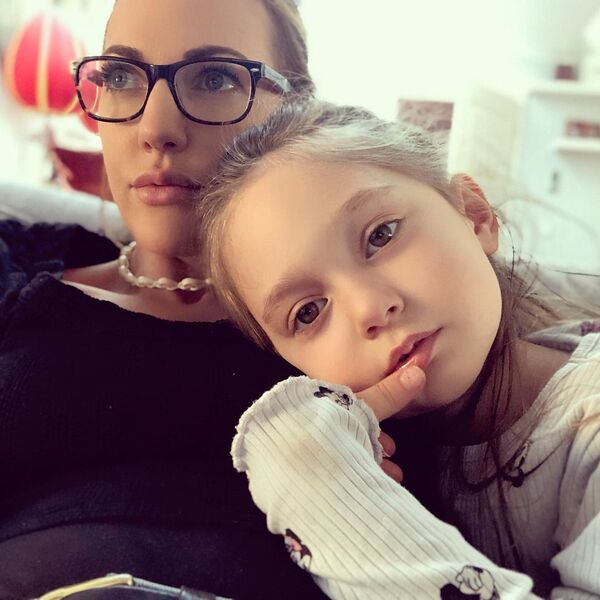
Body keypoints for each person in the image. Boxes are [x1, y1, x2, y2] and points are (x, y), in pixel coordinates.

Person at [0, 3, 417, 599]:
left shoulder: (372, 310)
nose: (155, 129)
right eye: (120, 76)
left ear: (296, 108)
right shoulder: (19, 275)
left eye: (215, 78)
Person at [197, 100, 600, 598]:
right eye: (309, 311)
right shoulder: (376, 449)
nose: (369, 308)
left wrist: (317, 484)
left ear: (475, 217)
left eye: (381, 236)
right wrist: (323, 456)